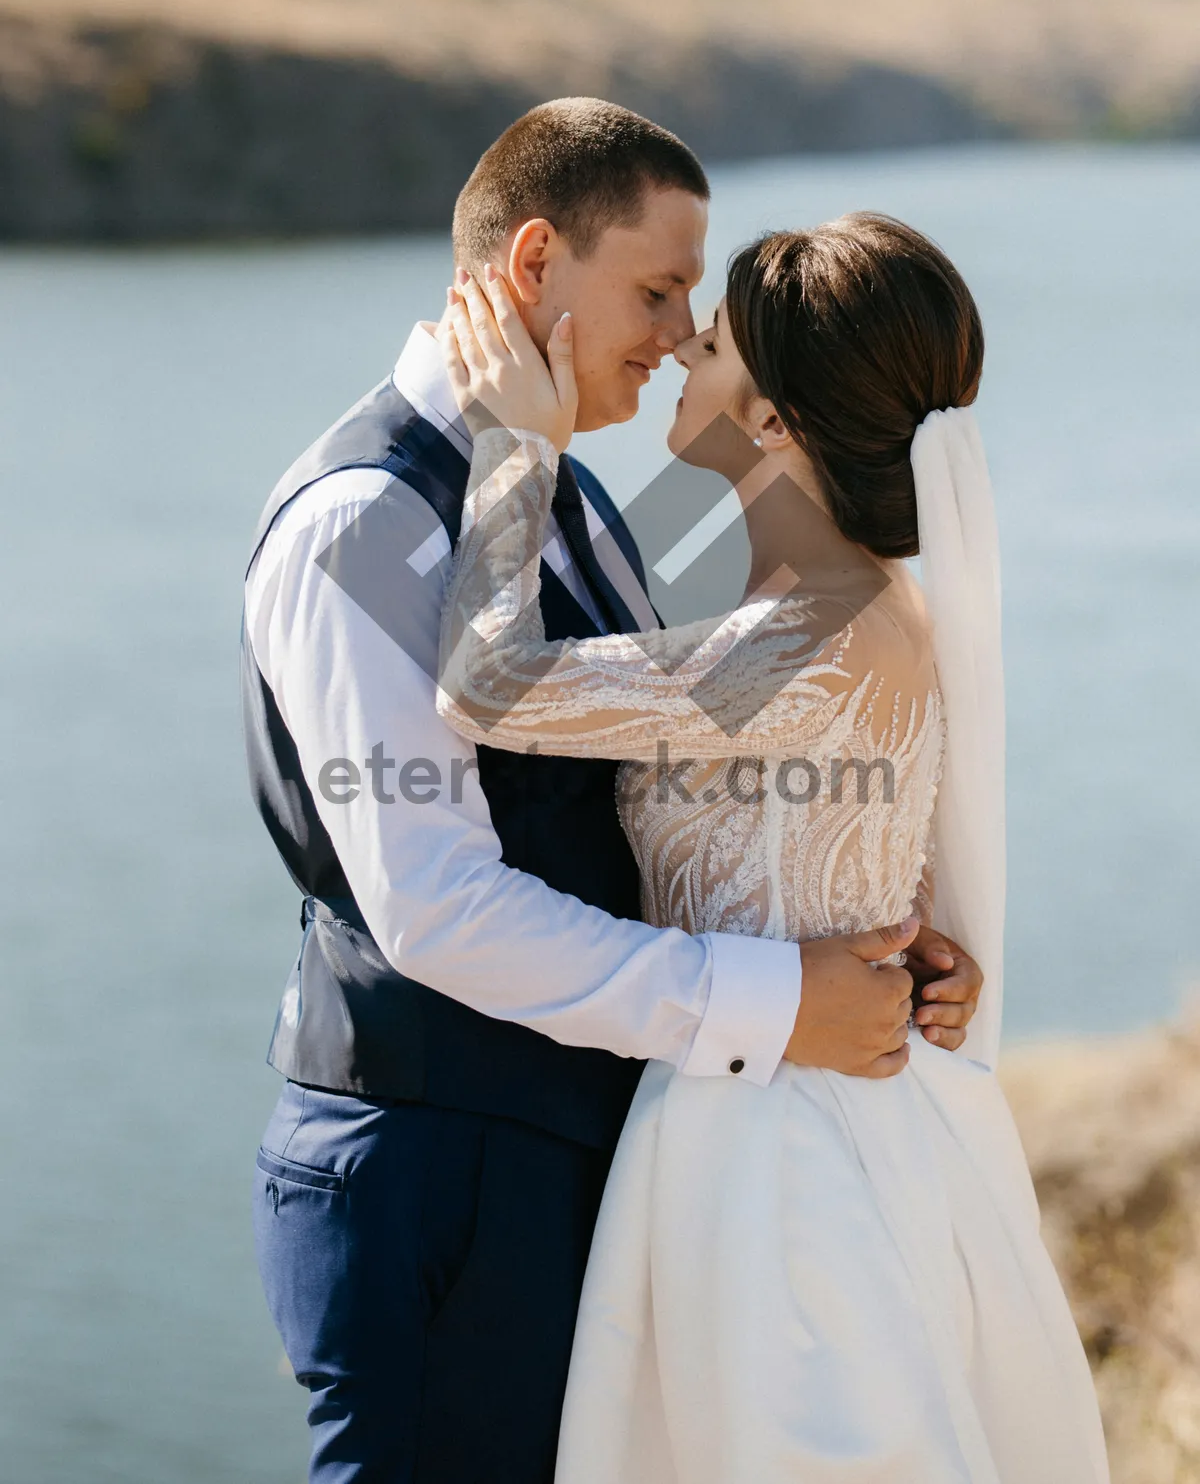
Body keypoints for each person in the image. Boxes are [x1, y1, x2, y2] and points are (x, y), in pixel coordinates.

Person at [244, 99, 982, 1483]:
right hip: (436, 1172)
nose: (675, 332)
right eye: (659, 291)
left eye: (700, 312)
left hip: (634, 1154)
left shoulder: (575, 507)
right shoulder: (365, 522)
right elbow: (440, 906)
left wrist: (878, 927)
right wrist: (790, 989)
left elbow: (704, 784)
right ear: (536, 264)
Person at [436, 217, 1109, 1483]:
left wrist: (510, 442)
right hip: (835, 1114)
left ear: (775, 424)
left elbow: (486, 684)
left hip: (776, 1171)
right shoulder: (873, 609)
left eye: (720, 340)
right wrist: (933, 962)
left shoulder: (803, 633)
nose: (687, 343)